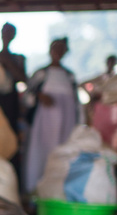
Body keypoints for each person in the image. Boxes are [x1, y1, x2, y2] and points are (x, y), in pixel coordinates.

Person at [23, 37, 83, 195]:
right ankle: (34, 192)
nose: (58, 52)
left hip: (66, 125)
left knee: (63, 155)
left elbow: (77, 104)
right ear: (50, 50)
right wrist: (39, 96)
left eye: (61, 49)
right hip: (43, 125)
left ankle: (58, 193)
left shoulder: (69, 76)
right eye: (55, 48)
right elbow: (27, 96)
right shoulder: (42, 74)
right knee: (40, 155)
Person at [0, 22, 29, 193]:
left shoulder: (18, 58)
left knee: (11, 141)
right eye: (4, 32)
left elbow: (23, 78)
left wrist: (8, 62)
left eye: (9, 33)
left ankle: (13, 184)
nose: (6, 35)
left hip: (10, 105)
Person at [81, 54, 117, 126]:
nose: (111, 64)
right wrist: (91, 95)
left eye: (113, 62)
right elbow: (83, 84)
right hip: (98, 106)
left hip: (111, 106)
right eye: (110, 62)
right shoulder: (99, 78)